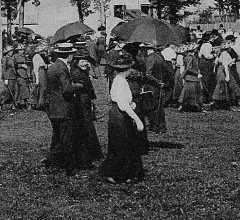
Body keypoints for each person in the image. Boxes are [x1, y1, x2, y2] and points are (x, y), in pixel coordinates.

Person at [101, 51, 145, 184]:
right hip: (119, 115)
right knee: (121, 144)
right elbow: (122, 105)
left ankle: (121, 172)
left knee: (123, 143)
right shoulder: (120, 82)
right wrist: (137, 119)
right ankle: (116, 173)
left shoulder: (120, 80)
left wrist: (131, 103)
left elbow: (124, 101)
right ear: (128, 69)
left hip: (119, 113)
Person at [43, 43, 85, 176]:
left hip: (54, 107)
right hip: (63, 107)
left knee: (57, 137)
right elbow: (66, 89)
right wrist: (78, 85)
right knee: (67, 139)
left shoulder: (54, 66)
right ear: (69, 55)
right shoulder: (62, 68)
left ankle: (52, 162)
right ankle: (69, 168)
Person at [70, 51, 102, 167]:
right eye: (82, 61)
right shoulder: (77, 74)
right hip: (81, 102)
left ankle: (92, 151)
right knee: (86, 126)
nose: (85, 63)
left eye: (86, 61)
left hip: (85, 101)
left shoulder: (83, 72)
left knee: (88, 125)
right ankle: (90, 152)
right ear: (77, 62)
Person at [145, 45, 173, 132]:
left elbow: (148, 74)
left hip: (152, 85)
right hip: (159, 84)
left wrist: (156, 81)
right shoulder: (159, 56)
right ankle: (161, 125)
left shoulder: (151, 58)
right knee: (159, 106)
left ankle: (155, 125)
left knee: (152, 106)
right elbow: (168, 70)